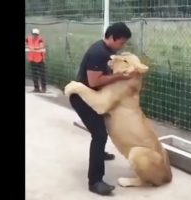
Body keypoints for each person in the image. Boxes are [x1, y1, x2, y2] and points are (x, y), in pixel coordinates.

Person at [69, 22, 135, 195]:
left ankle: (100, 154)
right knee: (99, 134)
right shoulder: (98, 53)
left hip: (96, 97)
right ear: (112, 38)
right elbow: (94, 82)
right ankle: (95, 181)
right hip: (83, 98)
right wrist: (120, 76)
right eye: (121, 42)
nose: (123, 46)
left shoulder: (109, 51)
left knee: (102, 130)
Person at [25, 28, 47, 93]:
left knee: (42, 74)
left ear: (38, 34)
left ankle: (43, 88)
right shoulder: (28, 39)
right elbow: (26, 44)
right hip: (32, 59)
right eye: (34, 34)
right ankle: (36, 88)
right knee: (34, 74)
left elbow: (41, 46)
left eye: (36, 34)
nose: (35, 36)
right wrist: (28, 46)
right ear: (32, 34)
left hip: (40, 59)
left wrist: (33, 48)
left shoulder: (40, 39)